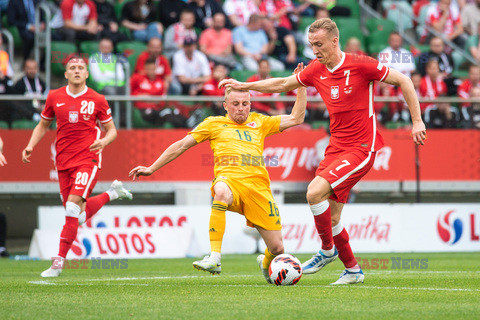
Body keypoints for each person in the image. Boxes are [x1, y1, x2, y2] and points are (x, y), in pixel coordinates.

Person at [219, 18, 427, 284]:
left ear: (334, 41)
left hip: (362, 147)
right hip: (336, 147)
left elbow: (404, 82)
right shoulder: (316, 69)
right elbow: (283, 84)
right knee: (333, 214)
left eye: (319, 44)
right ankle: (353, 270)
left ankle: (327, 251)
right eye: (311, 45)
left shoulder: (361, 64)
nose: (315, 50)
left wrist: (417, 121)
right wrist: (246, 86)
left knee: (313, 192)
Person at [129, 68, 307, 281]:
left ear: (250, 104)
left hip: (258, 188)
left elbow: (297, 118)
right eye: (235, 104)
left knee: (277, 248)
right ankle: (215, 257)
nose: (241, 109)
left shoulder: (261, 122)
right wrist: (152, 168)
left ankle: (266, 261)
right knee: (220, 191)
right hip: (229, 181)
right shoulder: (213, 124)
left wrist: (301, 87)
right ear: (225, 105)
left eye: (245, 104)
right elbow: (181, 145)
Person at [22, 56, 133, 278]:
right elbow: (43, 124)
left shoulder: (97, 99)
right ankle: (112, 193)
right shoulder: (54, 96)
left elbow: (112, 130)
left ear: (87, 74)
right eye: (72, 68)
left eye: (81, 68)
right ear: (65, 74)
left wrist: (104, 141)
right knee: (78, 215)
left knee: (72, 209)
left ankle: (58, 263)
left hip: (88, 159)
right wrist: (30, 145)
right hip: (63, 161)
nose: (76, 71)